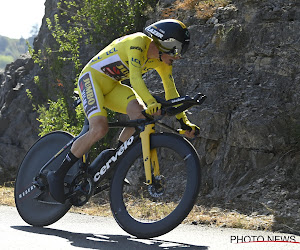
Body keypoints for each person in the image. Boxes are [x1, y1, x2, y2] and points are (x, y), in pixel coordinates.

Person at [47, 19, 200, 203]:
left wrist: (184, 122)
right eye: (177, 49)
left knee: (141, 117)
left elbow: (171, 92)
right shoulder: (139, 42)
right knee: (100, 128)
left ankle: (112, 161)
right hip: (91, 79)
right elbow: (135, 78)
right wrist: (151, 101)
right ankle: (57, 174)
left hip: (112, 86)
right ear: (164, 42)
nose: (178, 56)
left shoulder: (163, 61)